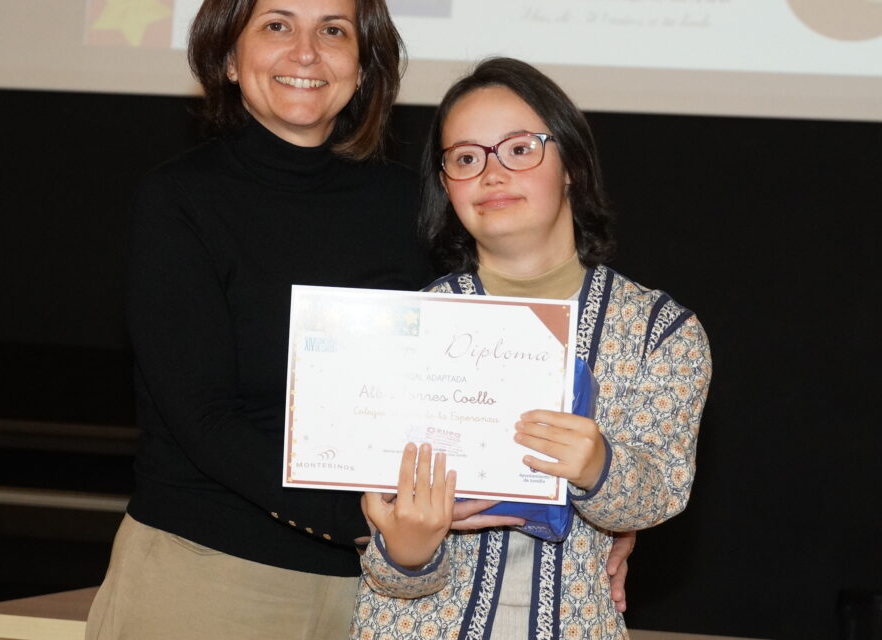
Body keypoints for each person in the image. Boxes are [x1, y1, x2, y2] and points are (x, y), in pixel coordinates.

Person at [85, 0, 634, 633]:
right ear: (229, 57)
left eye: (334, 30)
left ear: (362, 64)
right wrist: (374, 522)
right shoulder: (179, 200)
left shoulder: (411, 203)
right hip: (209, 574)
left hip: (384, 598)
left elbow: (488, 378)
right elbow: (204, 420)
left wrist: (590, 514)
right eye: (276, 25)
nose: (307, 52)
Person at [352, 57, 712, 640]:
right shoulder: (408, 332)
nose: (492, 174)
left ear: (570, 163)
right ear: (446, 186)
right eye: (466, 158)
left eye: (520, 149)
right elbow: (390, 574)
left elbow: (659, 494)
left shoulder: (659, 333)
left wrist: (599, 468)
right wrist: (408, 551)